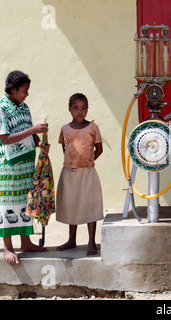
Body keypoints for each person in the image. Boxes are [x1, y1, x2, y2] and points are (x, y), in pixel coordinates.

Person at [0, 70, 49, 264]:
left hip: (26, 162)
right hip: (9, 166)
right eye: (24, 90)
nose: (27, 94)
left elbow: (30, 132)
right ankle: (7, 247)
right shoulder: (2, 108)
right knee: (8, 205)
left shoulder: (24, 107)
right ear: (13, 89)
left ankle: (26, 242)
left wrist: (39, 143)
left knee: (24, 203)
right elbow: (5, 138)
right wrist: (33, 130)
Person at [56, 93, 103, 255]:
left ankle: (91, 241)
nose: (80, 112)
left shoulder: (92, 128)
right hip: (69, 173)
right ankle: (72, 239)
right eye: (76, 108)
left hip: (87, 172)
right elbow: (65, 149)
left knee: (90, 206)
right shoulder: (65, 129)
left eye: (83, 108)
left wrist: (88, 161)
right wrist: (74, 163)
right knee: (71, 206)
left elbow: (99, 149)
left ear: (87, 110)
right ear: (69, 109)